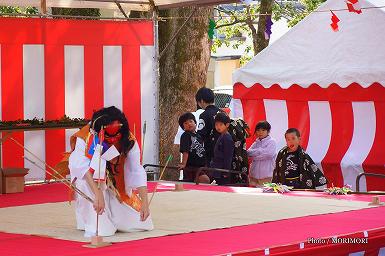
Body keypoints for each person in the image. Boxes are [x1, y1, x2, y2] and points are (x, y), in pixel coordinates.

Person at [68, 106, 153, 237]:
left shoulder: (128, 139)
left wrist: (145, 203)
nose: (113, 140)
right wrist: (98, 194)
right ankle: (94, 222)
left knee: (143, 223)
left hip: (114, 186)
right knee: (103, 231)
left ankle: (111, 216)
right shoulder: (85, 137)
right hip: (91, 184)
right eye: (108, 136)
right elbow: (83, 168)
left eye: (117, 135)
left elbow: (136, 170)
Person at [178, 112, 210, 183]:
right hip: (191, 167)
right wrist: (183, 164)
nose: (189, 124)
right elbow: (185, 151)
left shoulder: (198, 136)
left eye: (191, 121)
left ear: (195, 123)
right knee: (205, 180)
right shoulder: (185, 135)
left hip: (201, 166)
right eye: (185, 123)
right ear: (183, 127)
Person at [195, 87, 220, 165]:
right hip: (225, 150)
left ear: (201, 101)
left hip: (211, 152)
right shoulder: (222, 112)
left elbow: (200, 136)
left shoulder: (204, 115)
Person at [247, 121, 276, 186]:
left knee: (265, 195)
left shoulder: (272, 142)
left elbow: (269, 154)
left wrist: (255, 156)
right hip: (253, 176)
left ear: (268, 131)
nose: (260, 132)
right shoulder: (256, 143)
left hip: (266, 176)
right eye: (258, 130)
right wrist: (260, 151)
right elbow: (248, 153)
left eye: (263, 130)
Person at [210, 112, 234, 185]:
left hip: (222, 170)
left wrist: (226, 171)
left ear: (227, 125)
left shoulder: (227, 138)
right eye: (216, 124)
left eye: (220, 124)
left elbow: (228, 156)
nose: (218, 127)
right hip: (217, 168)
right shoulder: (222, 135)